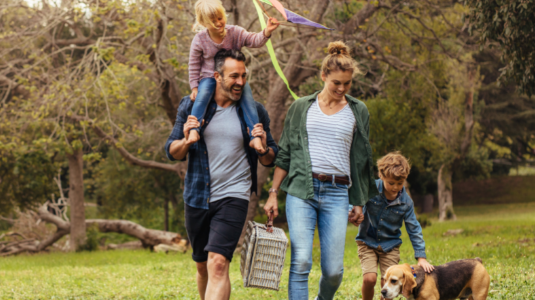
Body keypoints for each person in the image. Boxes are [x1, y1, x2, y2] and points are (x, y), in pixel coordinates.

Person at [263, 41, 378, 300]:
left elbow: (361, 161)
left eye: (347, 83)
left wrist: (358, 201)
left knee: (334, 271)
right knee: (301, 261)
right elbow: (285, 154)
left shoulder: (358, 111)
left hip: (338, 193)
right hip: (302, 190)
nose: (341, 88)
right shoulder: (301, 107)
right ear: (323, 76)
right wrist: (273, 193)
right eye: (336, 82)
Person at [164, 49, 277, 300]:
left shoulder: (254, 111)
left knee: (218, 263)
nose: (240, 82)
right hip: (197, 196)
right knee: (203, 265)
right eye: (234, 76)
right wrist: (185, 140)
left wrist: (263, 147)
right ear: (217, 76)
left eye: (244, 76)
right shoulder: (192, 106)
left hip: (234, 195)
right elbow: (172, 151)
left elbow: (271, 158)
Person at [187, 0, 279, 152]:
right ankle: (194, 130)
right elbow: (194, 64)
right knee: (202, 96)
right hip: (210, 77)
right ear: (203, 23)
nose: (218, 23)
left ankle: (255, 137)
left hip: (234, 77)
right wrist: (194, 87)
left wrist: (267, 31)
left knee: (248, 99)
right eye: (212, 21)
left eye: (220, 18)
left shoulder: (235, 32)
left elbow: (253, 40)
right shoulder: (200, 39)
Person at [356, 152, 434, 300]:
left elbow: (414, 228)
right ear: (382, 176)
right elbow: (356, 199)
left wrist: (421, 257)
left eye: (400, 183)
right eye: (391, 183)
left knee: (388, 283)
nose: (396, 187)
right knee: (369, 279)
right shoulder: (370, 189)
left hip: (390, 246)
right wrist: (352, 211)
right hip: (367, 242)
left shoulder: (406, 202)